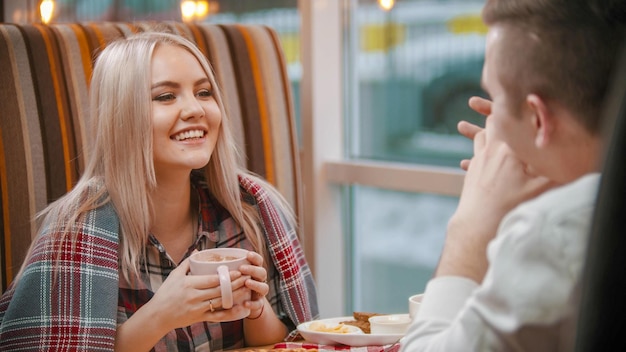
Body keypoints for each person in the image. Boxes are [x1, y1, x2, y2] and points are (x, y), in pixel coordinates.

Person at [0, 31, 318, 351]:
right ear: (122, 116)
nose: (195, 109)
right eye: (165, 96)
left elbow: (287, 342)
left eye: (204, 92)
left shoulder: (248, 213)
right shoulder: (77, 230)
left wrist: (255, 307)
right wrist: (161, 315)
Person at [401, 0, 625, 351]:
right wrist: (557, 163)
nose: (490, 123)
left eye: (496, 98)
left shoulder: (552, 233)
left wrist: (469, 229)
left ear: (538, 118)